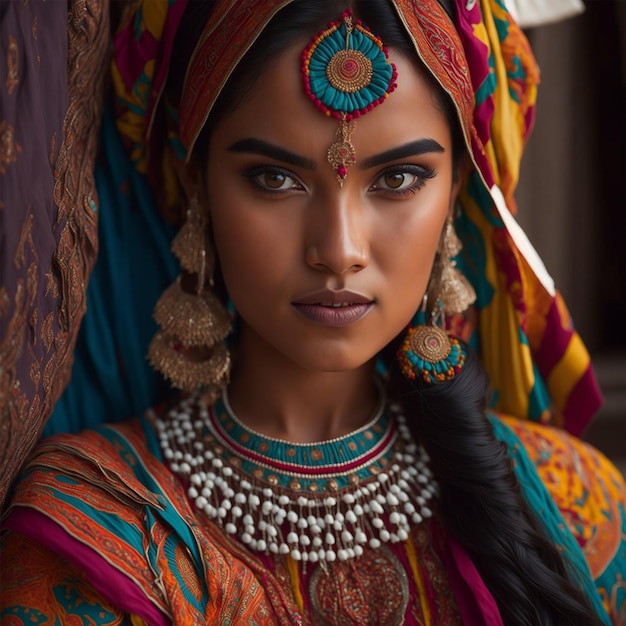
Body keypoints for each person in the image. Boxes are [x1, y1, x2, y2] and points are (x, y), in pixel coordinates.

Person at [0, 0, 624, 624]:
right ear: (198, 185)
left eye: (400, 178)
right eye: (274, 179)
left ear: (456, 191)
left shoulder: (577, 499)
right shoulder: (104, 523)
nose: (340, 251)